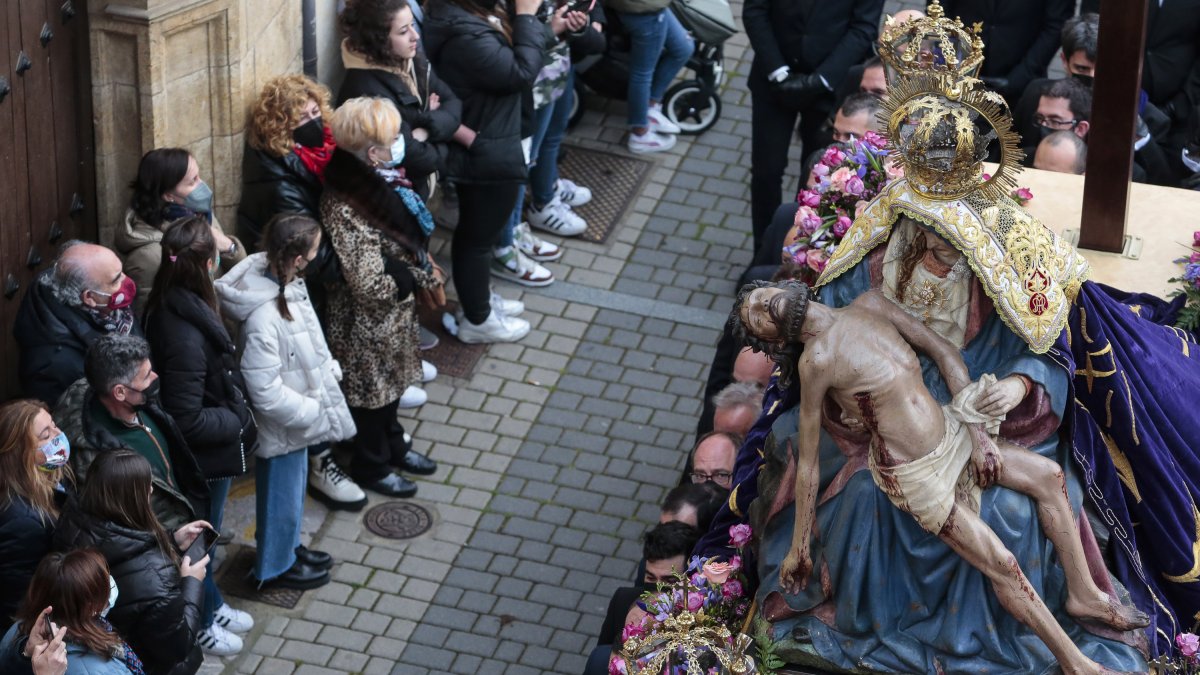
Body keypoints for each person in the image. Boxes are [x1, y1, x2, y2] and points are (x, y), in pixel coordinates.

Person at [734, 281, 1149, 674]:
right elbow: (808, 464)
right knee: (1002, 563)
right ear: (773, 338)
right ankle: (1075, 662)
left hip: (953, 431)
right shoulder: (816, 363)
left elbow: (945, 353)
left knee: (1050, 475)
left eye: (760, 298)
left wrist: (978, 435)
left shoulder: (871, 304)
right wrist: (799, 547)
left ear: (785, 287)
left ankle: (1084, 594)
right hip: (914, 475)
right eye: (756, 318)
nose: (761, 307)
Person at [216, 213, 358, 589]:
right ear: (296, 259)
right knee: (280, 496)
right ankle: (275, 567)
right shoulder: (264, 315)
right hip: (287, 420)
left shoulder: (284, 282)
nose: (315, 259)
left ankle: (288, 549)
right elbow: (263, 388)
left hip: (295, 417)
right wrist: (310, 410)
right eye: (312, 253)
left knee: (292, 491)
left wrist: (326, 370)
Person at [141, 217, 256, 654]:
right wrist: (237, 418)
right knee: (203, 540)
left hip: (213, 450)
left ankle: (214, 602)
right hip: (204, 458)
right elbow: (186, 417)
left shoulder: (180, 300)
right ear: (207, 264)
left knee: (209, 535)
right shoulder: (183, 330)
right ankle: (203, 621)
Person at [322, 97, 442, 497]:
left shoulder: (381, 180)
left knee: (390, 393)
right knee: (374, 399)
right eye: (393, 139)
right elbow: (368, 283)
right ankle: (371, 466)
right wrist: (406, 280)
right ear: (373, 153)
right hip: (367, 322)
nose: (400, 143)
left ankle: (393, 445)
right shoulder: (346, 201)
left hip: (392, 317)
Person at [423, 0, 545, 342]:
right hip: (488, 149)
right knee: (477, 239)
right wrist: (525, 17)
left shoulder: (461, 18)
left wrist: (551, 27)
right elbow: (519, 73)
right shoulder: (465, 34)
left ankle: (478, 304)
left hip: (489, 140)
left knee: (478, 236)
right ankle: (478, 320)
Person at [53, 451, 210, 675]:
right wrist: (192, 582)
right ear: (131, 498)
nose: (152, 490)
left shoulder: (70, 523)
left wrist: (170, 539)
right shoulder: (157, 580)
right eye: (146, 486)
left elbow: (117, 542)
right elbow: (179, 645)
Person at [744, 0, 883, 250]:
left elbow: (863, 27)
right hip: (772, 79)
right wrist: (778, 71)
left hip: (828, 85)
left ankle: (804, 248)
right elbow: (755, 11)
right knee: (766, 172)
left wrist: (820, 80)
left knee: (819, 173)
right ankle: (765, 250)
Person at [55, 334, 207, 533]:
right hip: (163, 543)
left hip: (184, 519)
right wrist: (172, 542)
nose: (155, 378)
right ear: (120, 393)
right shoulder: (98, 462)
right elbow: (121, 529)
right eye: (147, 376)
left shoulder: (140, 402)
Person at [337, 0, 465, 204]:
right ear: (379, 40)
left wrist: (425, 130)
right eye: (404, 31)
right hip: (395, 201)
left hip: (420, 189)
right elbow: (420, 160)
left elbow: (453, 103)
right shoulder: (366, 93)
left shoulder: (407, 58)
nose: (415, 36)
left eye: (412, 26)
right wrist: (440, 130)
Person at [116, 149, 245, 316]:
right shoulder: (148, 257)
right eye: (192, 182)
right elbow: (151, 318)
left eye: (199, 176)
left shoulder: (200, 215)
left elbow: (242, 276)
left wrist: (230, 248)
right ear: (169, 195)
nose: (202, 185)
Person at [14, 242, 140, 407]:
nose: (126, 281)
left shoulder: (116, 312)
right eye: (116, 279)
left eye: (121, 271)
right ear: (90, 297)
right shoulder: (53, 365)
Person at [0, 549, 142, 675]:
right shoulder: (104, 670)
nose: (110, 584)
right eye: (103, 586)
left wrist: (25, 656)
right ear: (90, 606)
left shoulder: (20, 631)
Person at [0, 400, 71, 634]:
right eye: (45, 434)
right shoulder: (22, 522)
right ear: (22, 454)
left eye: (54, 426)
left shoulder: (54, 479)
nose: (59, 435)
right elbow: (20, 605)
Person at [936, 0, 1073, 104]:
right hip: (956, 78)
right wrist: (953, 63)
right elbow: (939, 8)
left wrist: (1018, 79)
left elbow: (1056, 25)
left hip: (1022, 84)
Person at [606, 0, 691, 153]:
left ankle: (650, 108)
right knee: (642, 73)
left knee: (683, 48)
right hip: (644, 9)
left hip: (653, 7)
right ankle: (640, 134)